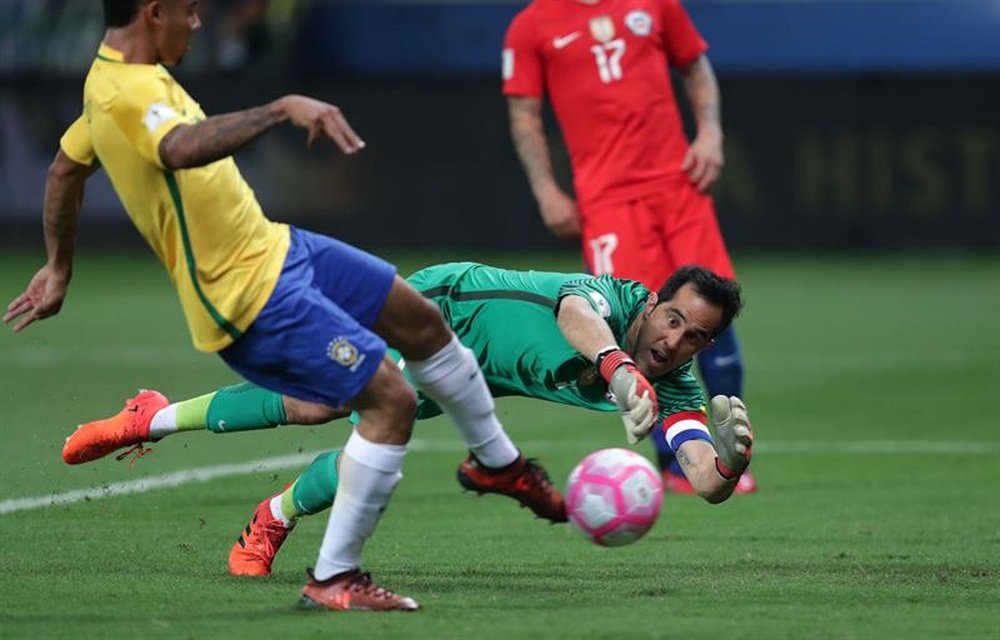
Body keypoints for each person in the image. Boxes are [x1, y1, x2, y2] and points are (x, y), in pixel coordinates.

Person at [2, 0, 571, 613]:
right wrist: (280, 107)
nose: (196, 24)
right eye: (189, 12)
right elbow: (180, 148)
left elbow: (64, 170)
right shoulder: (120, 94)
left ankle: (499, 466)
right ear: (153, 10)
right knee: (391, 400)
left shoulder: (122, 78)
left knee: (423, 323)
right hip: (244, 296)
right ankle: (334, 578)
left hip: (281, 248)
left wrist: (59, 267)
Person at [61, 263, 754, 577]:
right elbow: (575, 315)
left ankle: (273, 514)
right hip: (439, 308)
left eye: (695, 337)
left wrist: (728, 464)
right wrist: (617, 367)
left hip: (477, 375)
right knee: (323, 402)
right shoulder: (612, 301)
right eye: (672, 320)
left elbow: (701, 472)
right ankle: (152, 417)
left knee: (376, 441)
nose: (674, 342)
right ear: (654, 302)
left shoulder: (678, 385)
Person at [501, 0, 754, 493]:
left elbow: (695, 66)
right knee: (638, 332)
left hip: (679, 186)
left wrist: (710, 134)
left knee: (713, 317)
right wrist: (545, 188)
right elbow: (524, 114)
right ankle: (677, 465)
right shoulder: (531, 25)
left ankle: (731, 453)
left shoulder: (656, 4)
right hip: (609, 200)